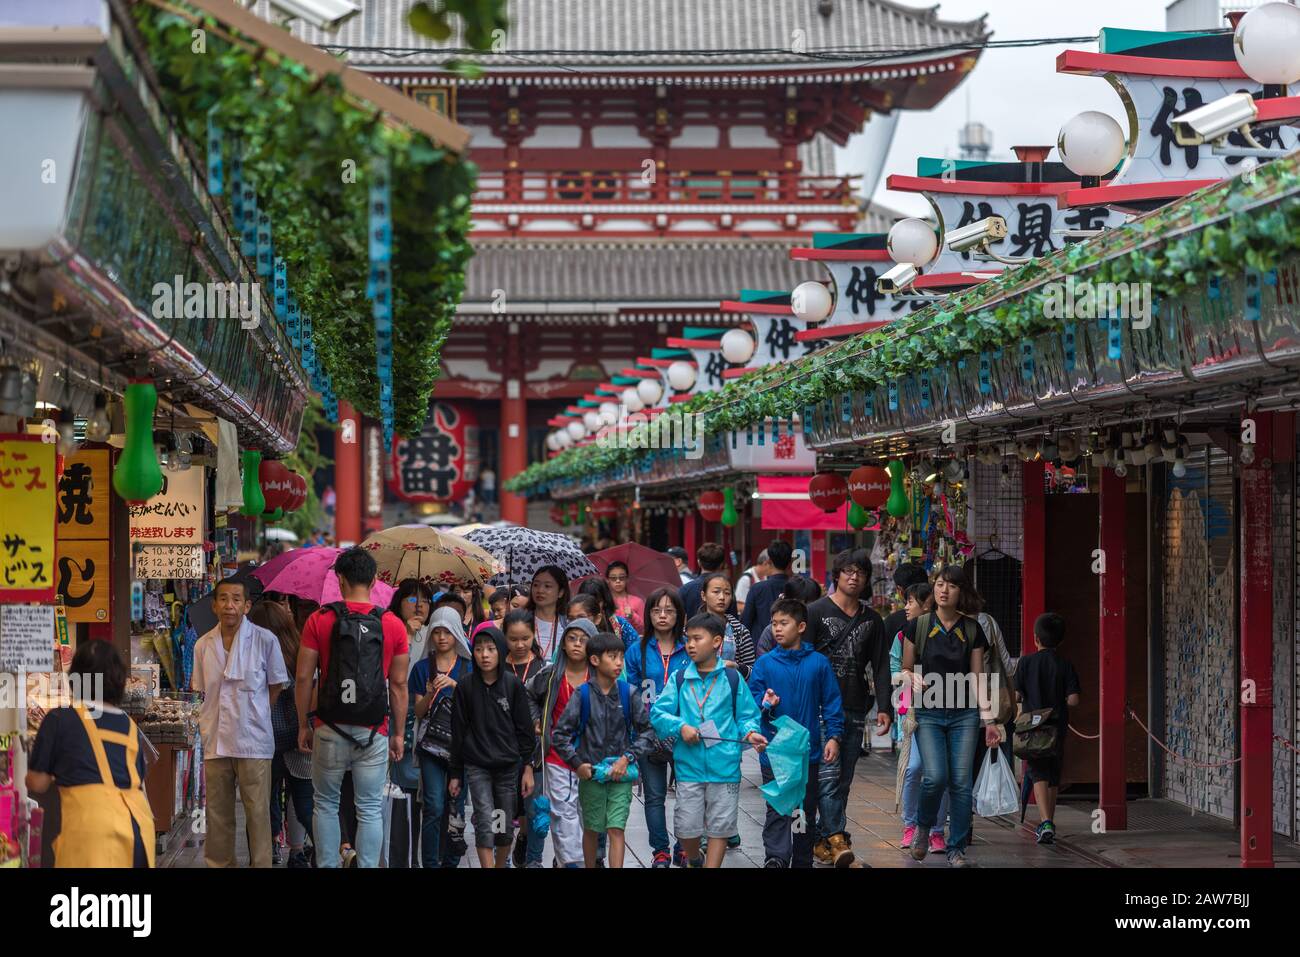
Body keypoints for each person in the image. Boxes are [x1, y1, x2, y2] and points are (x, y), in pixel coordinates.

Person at [296, 548, 410, 869]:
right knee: (370, 807)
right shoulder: (393, 625)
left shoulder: (319, 619)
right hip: (374, 730)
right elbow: (399, 686)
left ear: (340, 579)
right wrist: (398, 734)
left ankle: (329, 864)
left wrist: (305, 724)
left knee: (326, 804)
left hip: (329, 727)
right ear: (374, 580)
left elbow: (304, 677)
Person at [899, 564, 1001, 867]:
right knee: (935, 777)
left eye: (952, 586)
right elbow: (905, 668)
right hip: (929, 712)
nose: (944, 590)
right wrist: (910, 679)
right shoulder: (918, 626)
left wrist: (989, 720)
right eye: (940, 584)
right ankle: (923, 827)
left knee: (961, 782)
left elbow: (978, 677)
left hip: (965, 714)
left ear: (961, 592)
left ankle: (957, 848)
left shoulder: (972, 628)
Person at [650, 613, 766, 868]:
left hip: (724, 767)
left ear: (716, 642)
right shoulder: (679, 679)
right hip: (688, 767)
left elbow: (747, 715)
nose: (690, 644)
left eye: (696, 638)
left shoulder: (732, 679)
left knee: (720, 827)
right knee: (686, 829)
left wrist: (751, 733)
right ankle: (694, 859)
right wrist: (680, 727)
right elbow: (658, 713)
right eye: (687, 639)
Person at [26, 641, 154, 868]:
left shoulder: (60, 718)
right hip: (139, 833)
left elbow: (37, 783)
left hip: (91, 834)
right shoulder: (129, 725)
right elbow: (138, 783)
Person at [192, 577, 289, 868]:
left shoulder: (264, 640)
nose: (229, 606)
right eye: (223, 599)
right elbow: (202, 690)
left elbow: (275, 685)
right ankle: (219, 864)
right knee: (218, 813)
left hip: (253, 739)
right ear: (214, 605)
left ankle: (260, 864)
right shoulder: (202, 645)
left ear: (247, 605)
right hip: (216, 740)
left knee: (257, 812)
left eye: (236, 599)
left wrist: (254, 712)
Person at [808, 548, 893, 868]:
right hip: (821, 707)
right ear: (837, 575)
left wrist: (884, 707)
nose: (854, 577)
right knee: (828, 778)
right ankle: (839, 841)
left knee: (843, 780)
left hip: (856, 706)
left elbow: (881, 665)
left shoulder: (872, 619)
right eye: (848, 571)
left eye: (861, 573)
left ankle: (822, 841)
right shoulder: (815, 611)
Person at [748, 597, 844, 869]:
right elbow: (753, 701)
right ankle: (776, 857)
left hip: (808, 752)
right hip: (774, 751)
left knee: (803, 808)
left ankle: (802, 859)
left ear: (801, 626)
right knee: (778, 806)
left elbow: (832, 702)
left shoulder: (818, 663)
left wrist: (834, 737)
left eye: (784, 623)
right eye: (774, 623)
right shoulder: (765, 664)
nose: (777, 629)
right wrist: (766, 703)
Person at [552, 631, 654, 868]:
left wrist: (627, 758)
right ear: (595, 660)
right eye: (613, 657)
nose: (619, 663)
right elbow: (560, 735)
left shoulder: (630, 694)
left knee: (616, 828)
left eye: (620, 657)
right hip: (591, 775)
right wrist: (577, 764)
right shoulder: (583, 694)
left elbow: (647, 732)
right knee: (592, 828)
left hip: (622, 775)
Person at [448, 626, 536, 868]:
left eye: (490, 649)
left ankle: (500, 864)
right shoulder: (465, 687)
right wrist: (455, 773)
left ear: (500, 651)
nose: (484, 655)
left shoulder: (513, 685)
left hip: (508, 766)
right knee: (485, 821)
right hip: (477, 766)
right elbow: (457, 733)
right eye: (478, 649)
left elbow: (525, 730)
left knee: (505, 826)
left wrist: (528, 767)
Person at [624, 587, 690, 867]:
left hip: (684, 733)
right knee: (654, 797)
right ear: (648, 614)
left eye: (669, 610)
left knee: (688, 794)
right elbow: (630, 691)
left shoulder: (690, 647)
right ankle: (660, 851)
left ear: (679, 614)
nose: (662, 615)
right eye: (656, 610)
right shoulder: (636, 650)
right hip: (648, 732)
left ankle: (684, 846)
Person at [249, 600, 314, 868]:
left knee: (263, 801)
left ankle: (267, 850)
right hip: (297, 738)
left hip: (265, 738)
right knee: (305, 801)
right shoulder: (299, 651)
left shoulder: (253, 655)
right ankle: (319, 851)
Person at [528, 618, 597, 867]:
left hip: (591, 755)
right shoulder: (550, 674)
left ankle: (585, 859)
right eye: (572, 638)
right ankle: (572, 863)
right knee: (561, 812)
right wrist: (537, 720)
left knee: (587, 812)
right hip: (557, 755)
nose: (577, 644)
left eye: (584, 639)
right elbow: (529, 694)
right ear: (564, 643)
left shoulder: (599, 676)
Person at [410, 606, 472, 868]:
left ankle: (451, 862)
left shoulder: (469, 667)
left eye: (447, 631)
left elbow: (479, 707)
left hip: (463, 748)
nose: (442, 637)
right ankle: (430, 863)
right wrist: (429, 694)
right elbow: (418, 712)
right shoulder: (422, 668)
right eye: (436, 631)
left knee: (455, 806)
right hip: (431, 747)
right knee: (434, 805)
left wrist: (456, 686)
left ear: (457, 633)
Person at [890, 582, 948, 854]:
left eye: (910, 601)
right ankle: (910, 825)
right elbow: (894, 672)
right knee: (914, 769)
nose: (906, 607)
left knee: (940, 775)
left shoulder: (947, 632)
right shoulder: (902, 637)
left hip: (947, 711)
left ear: (927, 604)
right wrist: (908, 677)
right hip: (914, 715)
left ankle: (937, 831)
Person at [1014, 612, 1082, 845]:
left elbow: (1015, 694)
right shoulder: (1065, 664)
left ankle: (1045, 823)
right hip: (1057, 726)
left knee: (1038, 771)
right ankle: (1048, 821)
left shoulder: (1025, 663)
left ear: (1036, 639)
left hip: (1033, 728)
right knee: (1053, 773)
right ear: (1060, 641)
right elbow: (1073, 699)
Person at [501, 609, 548, 868]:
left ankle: (532, 856)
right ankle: (503, 857)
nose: (519, 645)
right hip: (502, 749)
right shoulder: (496, 666)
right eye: (513, 639)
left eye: (525, 638)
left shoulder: (543, 668)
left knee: (534, 809)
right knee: (504, 808)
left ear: (533, 636)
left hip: (535, 750)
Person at [698, 572, 755, 678]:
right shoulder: (690, 630)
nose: (722, 597)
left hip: (730, 690)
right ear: (703, 595)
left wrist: (736, 667)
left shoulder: (740, 631)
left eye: (727, 593)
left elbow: (753, 672)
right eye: (716, 592)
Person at [755, 576, 822, 657]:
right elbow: (762, 662)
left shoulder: (822, 627)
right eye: (800, 603)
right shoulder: (771, 632)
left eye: (810, 604)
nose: (805, 609)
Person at [740, 539, 793, 636]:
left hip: (761, 647)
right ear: (790, 564)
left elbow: (745, 623)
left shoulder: (757, 589)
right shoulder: (796, 588)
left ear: (769, 562)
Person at [576, 578, 640, 649]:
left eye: (596, 602)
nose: (591, 607)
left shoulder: (620, 624)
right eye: (586, 603)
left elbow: (636, 652)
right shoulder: (574, 623)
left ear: (605, 601)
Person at [389, 579, 435, 673]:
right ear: (399, 603)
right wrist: (408, 634)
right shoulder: (387, 629)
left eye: (425, 601)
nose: (419, 605)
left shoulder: (434, 632)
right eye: (412, 599)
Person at [528, 564, 571, 661]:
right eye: (535, 585)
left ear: (561, 592)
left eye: (547, 586)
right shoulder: (522, 620)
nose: (540, 590)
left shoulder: (567, 624)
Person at [678, 542, 727, 618]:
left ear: (699, 562)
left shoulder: (685, 589)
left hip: (691, 629)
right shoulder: (727, 590)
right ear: (721, 565)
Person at [604, 560, 644, 632]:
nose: (618, 581)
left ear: (627, 578)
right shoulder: (605, 602)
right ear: (607, 580)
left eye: (621, 577)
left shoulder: (638, 601)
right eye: (613, 578)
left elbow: (644, 628)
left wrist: (633, 616)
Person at [734, 549, 771, 615]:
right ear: (765, 563)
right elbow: (739, 605)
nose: (773, 569)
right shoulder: (746, 579)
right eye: (772, 565)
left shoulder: (767, 577)